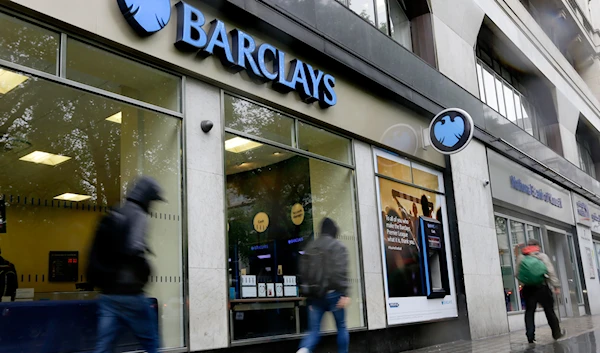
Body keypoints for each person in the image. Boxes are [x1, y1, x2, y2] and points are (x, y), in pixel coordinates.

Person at [91, 176, 165, 353]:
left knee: (104, 345)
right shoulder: (138, 215)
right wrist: (146, 271)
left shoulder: (117, 211)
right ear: (146, 197)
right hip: (129, 293)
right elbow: (135, 249)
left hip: (108, 294)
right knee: (151, 341)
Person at [297, 218, 350, 353]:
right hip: (334, 294)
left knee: (313, 331)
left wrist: (307, 295)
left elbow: (304, 273)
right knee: (341, 327)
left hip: (315, 297)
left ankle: (304, 349)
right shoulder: (338, 246)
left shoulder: (310, 247)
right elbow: (340, 271)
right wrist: (345, 293)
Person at [516, 239, 565, 343]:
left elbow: (517, 274)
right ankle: (556, 334)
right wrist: (556, 285)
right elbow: (550, 271)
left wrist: (525, 282)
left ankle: (530, 337)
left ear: (528, 246)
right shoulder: (542, 256)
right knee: (549, 311)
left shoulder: (521, 257)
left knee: (529, 312)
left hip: (528, 288)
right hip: (542, 287)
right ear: (537, 246)